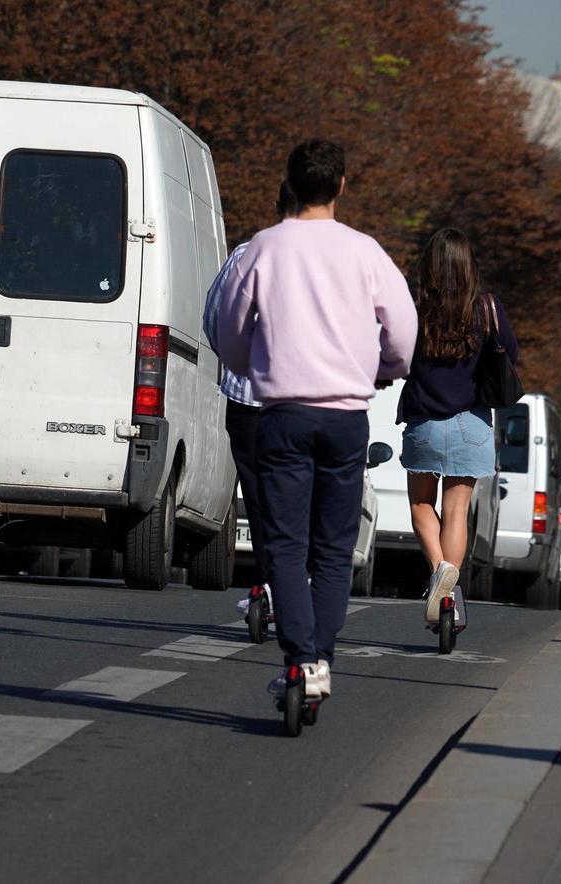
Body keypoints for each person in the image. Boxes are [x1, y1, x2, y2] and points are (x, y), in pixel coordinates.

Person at [217, 140, 417, 703]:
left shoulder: (264, 248)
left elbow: (229, 329)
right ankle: (321, 659)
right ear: (342, 185)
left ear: (290, 180)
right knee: (333, 547)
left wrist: (248, 363)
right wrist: (385, 369)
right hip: (348, 417)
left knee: (282, 545)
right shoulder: (366, 252)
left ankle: (300, 659)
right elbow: (403, 328)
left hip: (282, 413)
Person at [396, 228, 519, 622]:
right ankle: (448, 597)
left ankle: (439, 572)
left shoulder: (414, 309)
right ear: (469, 267)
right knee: (457, 511)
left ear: (429, 267)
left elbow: (395, 356)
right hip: (472, 424)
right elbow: (511, 353)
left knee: (420, 504)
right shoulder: (486, 308)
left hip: (425, 423)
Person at [203, 182, 299, 616]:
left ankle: (267, 582)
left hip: (249, 401)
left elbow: (213, 319)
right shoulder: (335, 261)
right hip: (306, 400)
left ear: (276, 206)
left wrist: (236, 362)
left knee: (259, 498)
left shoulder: (246, 256)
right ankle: (296, 580)